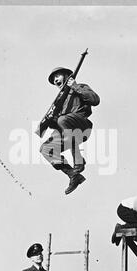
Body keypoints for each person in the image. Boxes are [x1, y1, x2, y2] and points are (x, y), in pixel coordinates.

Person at [39, 67, 100, 195]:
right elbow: (58, 124)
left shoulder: (80, 87)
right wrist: (51, 121)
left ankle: (78, 160)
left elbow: (95, 100)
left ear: (67, 75)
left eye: (58, 76)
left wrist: (75, 87)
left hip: (82, 126)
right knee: (46, 149)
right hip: (66, 131)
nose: (56, 80)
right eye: (54, 79)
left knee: (63, 120)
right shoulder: (59, 101)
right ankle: (73, 175)